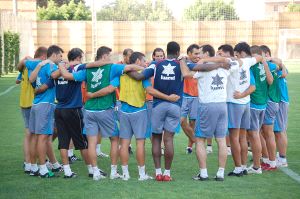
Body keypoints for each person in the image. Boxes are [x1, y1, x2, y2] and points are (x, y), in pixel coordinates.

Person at [129, 41, 228, 181]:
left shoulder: (155, 64)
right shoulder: (182, 64)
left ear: (166, 51)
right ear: (177, 53)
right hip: (175, 105)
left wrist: (125, 69)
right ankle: (167, 174)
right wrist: (220, 65)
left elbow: (139, 76)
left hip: (158, 106)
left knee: (156, 139)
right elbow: (202, 67)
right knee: (168, 139)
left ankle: (158, 172)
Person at [63, 46, 143, 180]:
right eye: (110, 56)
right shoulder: (112, 67)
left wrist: (60, 66)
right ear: (105, 56)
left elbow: (67, 76)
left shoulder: (87, 69)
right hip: (105, 109)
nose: (111, 59)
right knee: (114, 139)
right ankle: (113, 171)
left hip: (89, 110)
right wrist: (149, 67)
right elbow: (130, 68)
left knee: (92, 142)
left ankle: (95, 172)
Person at [115, 51, 181, 181]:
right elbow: (150, 90)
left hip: (123, 111)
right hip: (139, 110)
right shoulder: (142, 74)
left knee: (124, 143)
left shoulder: (121, 74)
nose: (145, 63)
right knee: (140, 143)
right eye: (144, 60)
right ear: (138, 61)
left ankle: (125, 174)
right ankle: (141, 174)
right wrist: (168, 97)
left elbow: (113, 86)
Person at [180, 52, 238, 181]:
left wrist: (182, 60)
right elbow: (236, 61)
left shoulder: (203, 70)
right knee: (221, 140)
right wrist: (220, 61)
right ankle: (220, 173)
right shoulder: (224, 68)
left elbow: (185, 74)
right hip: (222, 105)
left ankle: (204, 173)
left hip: (207, 106)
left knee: (200, 140)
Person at [225, 43, 265, 176]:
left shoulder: (233, 65)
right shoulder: (248, 61)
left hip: (234, 103)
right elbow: (259, 57)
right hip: (246, 104)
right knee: (243, 137)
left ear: (240, 53)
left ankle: (238, 168)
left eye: (236, 54)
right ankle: (242, 166)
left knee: (234, 138)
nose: (235, 56)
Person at [27, 45, 63, 178]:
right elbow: (55, 75)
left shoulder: (40, 65)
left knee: (36, 137)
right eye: (60, 56)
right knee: (42, 138)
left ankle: (33, 167)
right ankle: (42, 169)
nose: (61, 58)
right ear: (53, 55)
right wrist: (64, 67)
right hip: (46, 104)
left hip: (35, 104)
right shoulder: (51, 66)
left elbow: (31, 80)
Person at [246, 45, 273, 174]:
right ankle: (262, 160)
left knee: (254, 135)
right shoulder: (264, 65)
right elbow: (271, 81)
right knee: (256, 134)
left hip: (254, 104)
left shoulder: (252, 66)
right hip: (262, 104)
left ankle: (257, 166)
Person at [260, 45, 283, 171]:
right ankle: (268, 160)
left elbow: (280, 63)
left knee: (267, 133)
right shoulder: (273, 65)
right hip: (271, 101)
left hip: (269, 101)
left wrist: (266, 60)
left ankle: (272, 162)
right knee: (263, 132)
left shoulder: (270, 65)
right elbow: (280, 65)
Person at [180, 44, 199, 154]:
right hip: (184, 96)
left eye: (198, 53)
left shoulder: (201, 64)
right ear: (189, 54)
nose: (198, 56)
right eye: (195, 53)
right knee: (181, 121)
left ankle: (189, 146)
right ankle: (195, 140)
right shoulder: (184, 63)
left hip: (197, 97)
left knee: (193, 122)